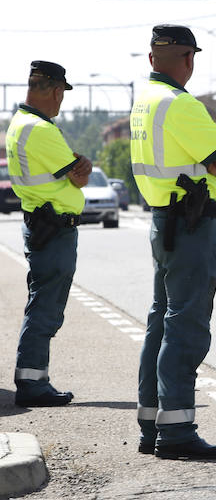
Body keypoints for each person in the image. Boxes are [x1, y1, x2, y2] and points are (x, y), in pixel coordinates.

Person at [130, 25, 216, 460]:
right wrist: (214, 165)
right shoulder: (180, 104)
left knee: (161, 320)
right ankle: (176, 432)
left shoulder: (145, 102)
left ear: (153, 58)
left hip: (165, 220)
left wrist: (210, 164)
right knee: (186, 324)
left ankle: (152, 423)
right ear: (189, 59)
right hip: (191, 225)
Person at [5, 61, 92, 407]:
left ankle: (35, 378)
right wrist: (82, 167)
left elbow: (74, 171)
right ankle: (32, 382)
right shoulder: (41, 130)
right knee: (46, 307)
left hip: (42, 225)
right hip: (53, 227)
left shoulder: (21, 124)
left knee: (42, 302)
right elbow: (78, 175)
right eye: (62, 95)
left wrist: (78, 167)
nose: (61, 102)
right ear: (56, 91)